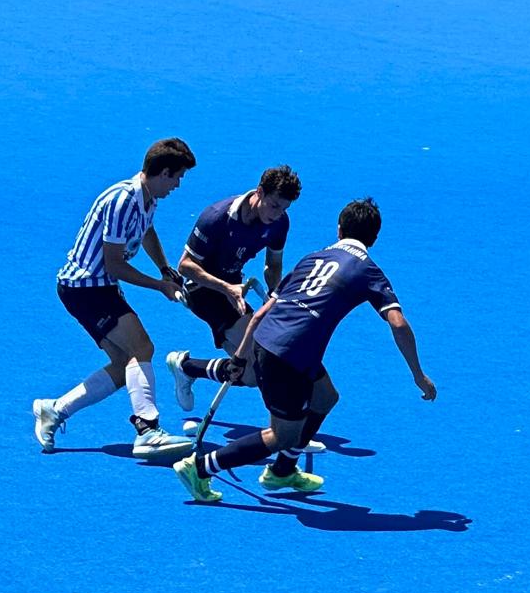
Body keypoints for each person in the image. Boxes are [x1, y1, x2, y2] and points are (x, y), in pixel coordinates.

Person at [173, 198, 436, 504]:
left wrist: (242, 356)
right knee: (281, 435)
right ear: (374, 238)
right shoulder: (368, 270)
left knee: (325, 397)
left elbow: (259, 315)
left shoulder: (312, 258)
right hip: (289, 356)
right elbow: (398, 323)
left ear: (339, 230)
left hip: (272, 342)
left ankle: (283, 471)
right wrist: (418, 375)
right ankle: (199, 468)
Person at [33, 139, 199, 459]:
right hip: (85, 288)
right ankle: (148, 431)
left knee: (126, 365)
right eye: (177, 177)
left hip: (99, 287)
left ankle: (54, 410)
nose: (178, 184)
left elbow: (147, 231)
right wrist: (159, 286)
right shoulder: (122, 201)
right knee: (142, 347)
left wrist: (164, 269)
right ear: (163, 172)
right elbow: (115, 265)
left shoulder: (147, 198)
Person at [166, 167, 321, 455]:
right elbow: (185, 266)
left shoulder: (279, 222)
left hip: (234, 290)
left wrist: (275, 297)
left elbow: (273, 265)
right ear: (259, 192)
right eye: (274, 205)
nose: (277, 213)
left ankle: (187, 367)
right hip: (203, 291)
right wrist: (226, 287)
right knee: (265, 358)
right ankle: (287, 431)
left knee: (250, 376)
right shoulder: (216, 217)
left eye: (284, 208)